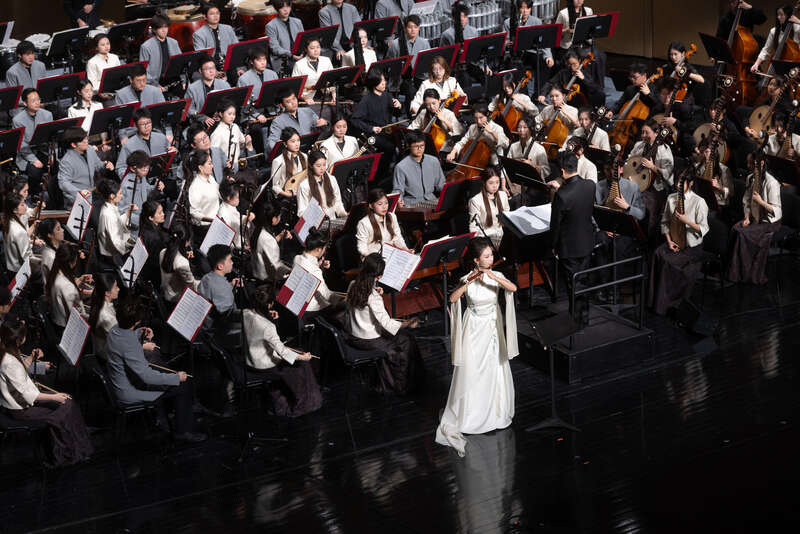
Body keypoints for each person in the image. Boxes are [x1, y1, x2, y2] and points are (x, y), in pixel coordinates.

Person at [435, 237, 518, 457]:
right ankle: (472, 414)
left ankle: (495, 413)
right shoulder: (467, 278)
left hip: (491, 327)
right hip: (473, 329)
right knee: (473, 369)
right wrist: (468, 282)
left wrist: (493, 276)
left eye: (491, 255)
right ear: (475, 260)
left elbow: (513, 288)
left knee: (493, 368)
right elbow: (453, 299)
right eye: (487, 256)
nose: (491, 259)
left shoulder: (496, 275)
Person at [106, 297, 206, 443]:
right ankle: (183, 431)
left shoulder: (114, 330)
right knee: (184, 385)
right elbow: (147, 377)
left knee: (166, 373)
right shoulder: (129, 346)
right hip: (130, 389)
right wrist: (176, 378)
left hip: (120, 379)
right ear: (135, 322)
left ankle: (169, 414)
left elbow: (126, 338)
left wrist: (139, 333)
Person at [0, 319, 94, 467]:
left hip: (20, 402)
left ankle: (76, 439)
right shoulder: (9, 362)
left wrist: (31, 358)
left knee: (68, 403)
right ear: (19, 340)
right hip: (21, 410)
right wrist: (55, 397)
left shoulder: (6, 351)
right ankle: (68, 454)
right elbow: (27, 394)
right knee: (66, 407)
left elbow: (18, 374)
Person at [345, 253, 422, 394]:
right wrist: (407, 323)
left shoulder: (353, 285)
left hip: (354, 335)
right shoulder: (373, 297)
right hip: (368, 340)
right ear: (379, 276)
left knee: (403, 338)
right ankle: (399, 386)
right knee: (405, 341)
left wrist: (374, 290)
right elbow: (385, 323)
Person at [243, 285, 322, 416]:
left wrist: (268, 316)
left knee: (297, 354)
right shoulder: (268, 327)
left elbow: (257, 329)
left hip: (251, 360)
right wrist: (303, 357)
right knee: (302, 364)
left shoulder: (245, 313)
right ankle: (305, 404)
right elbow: (282, 352)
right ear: (270, 304)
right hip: (265, 365)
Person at [648, 173, 709, 315]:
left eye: (682, 183)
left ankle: (667, 305)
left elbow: (704, 228)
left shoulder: (699, 202)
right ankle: (653, 301)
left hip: (691, 247)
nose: (678, 185)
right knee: (657, 253)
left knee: (669, 262)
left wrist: (687, 221)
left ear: (691, 183)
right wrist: (669, 241)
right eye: (677, 182)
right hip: (674, 240)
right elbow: (665, 222)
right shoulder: (671, 198)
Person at [550, 151, 596, 312]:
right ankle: (583, 315)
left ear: (562, 171)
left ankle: (576, 319)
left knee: (573, 285)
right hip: (587, 242)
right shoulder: (590, 185)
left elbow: (555, 225)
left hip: (569, 248)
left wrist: (552, 246)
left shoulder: (561, 195)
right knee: (583, 281)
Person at [727, 154, 782, 285]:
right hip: (754, 216)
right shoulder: (750, 178)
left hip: (770, 222)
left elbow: (776, 210)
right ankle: (733, 271)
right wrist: (746, 217)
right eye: (748, 163)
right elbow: (746, 201)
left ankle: (745, 274)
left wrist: (761, 202)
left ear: (761, 164)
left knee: (743, 234)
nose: (748, 166)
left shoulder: (772, 183)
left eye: (751, 163)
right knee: (735, 229)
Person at [350, 69, 402, 182]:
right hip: (372, 134)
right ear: (374, 83)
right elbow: (354, 120)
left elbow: (396, 114)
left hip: (386, 131)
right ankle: (380, 177)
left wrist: (398, 106)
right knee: (390, 147)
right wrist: (371, 128)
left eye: (384, 80)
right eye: (381, 81)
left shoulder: (387, 95)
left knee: (403, 141)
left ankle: (395, 173)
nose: (384, 83)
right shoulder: (366, 99)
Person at [57, 127, 113, 209]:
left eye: (86, 138)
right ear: (73, 145)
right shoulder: (67, 161)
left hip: (92, 194)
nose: (86, 141)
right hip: (76, 199)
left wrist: (105, 165)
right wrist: (79, 192)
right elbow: (63, 183)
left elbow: (97, 164)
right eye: (82, 141)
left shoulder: (90, 149)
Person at [293, 228, 344, 315]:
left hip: (297, 301)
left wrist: (318, 265)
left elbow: (308, 268)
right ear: (319, 249)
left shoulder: (297, 258)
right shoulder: (315, 270)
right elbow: (327, 295)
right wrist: (343, 299)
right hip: (311, 309)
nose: (324, 251)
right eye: (324, 248)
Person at [393, 130, 446, 207]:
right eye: (416, 146)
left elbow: (440, 184)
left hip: (431, 200)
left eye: (422, 146)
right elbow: (398, 190)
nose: (419, 149)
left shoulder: (433, 161)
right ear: (408, 146)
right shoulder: (401, 167)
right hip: (411, 203)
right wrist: (398, 200)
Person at [12, 88, 53, 187]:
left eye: (38, 99)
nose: (37, 103)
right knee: (35, 171)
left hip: (44, 151)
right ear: (25, 103)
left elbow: (52, 137)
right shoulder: (17, 120)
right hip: (26, 154)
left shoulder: (47, 115)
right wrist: (34, 160)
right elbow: (21, 145)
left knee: (58, 165)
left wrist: (52, 154)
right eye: (33, 101)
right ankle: (34, 193)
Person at [448, 102, 509, 167]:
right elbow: (462, 143)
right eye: (476, 118)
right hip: (475, 162)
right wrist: (452, 153)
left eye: (481, 117)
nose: (478, 121)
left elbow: (506, 144)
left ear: (487, 114)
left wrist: (492, 132)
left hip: (493, 164)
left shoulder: (497, 128)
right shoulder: (472, 127)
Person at [115, 107, 172, 177]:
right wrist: (134, 178)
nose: (146, 126)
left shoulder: (161, 137)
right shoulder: (128, 145)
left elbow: (170, 159)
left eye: (149, 122)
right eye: (142, 124)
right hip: (140, 180)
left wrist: (174, 153)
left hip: (162, 177)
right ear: (135, 125)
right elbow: (120, 168)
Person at [46, 244, 92, 328]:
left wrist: (80, 279)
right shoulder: (67, 286)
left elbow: (64, 288)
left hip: (56, 317)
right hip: (65, 326)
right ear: (71, 263)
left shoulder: (53, 272)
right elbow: (77, 315)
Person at [266, 89, 326, 153]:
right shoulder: (278, 122)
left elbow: (323, 129)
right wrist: (286, 151)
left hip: (311, 150)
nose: (293, 103)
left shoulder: (307, 111)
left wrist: (324, 124)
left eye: (294, 99)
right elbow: (271, 144)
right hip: (292, 153)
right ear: (282, 105)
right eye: (288, 101)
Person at [539, 48, 604, 107]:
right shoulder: (563, 72)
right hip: (565, 104)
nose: (572, 68)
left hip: (582, 106)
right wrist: (543, 94)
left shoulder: (586, 73)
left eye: (574, 64)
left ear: (579, 60)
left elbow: (596, 89)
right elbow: (550, 83)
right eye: (569, 64)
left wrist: (584, 79)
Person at [355, 189, 410, 257]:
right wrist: (374, 259)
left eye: (386, 203)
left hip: (390, 256)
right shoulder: (363, 223)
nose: (384, 207)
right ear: (371, 206)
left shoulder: (392, 216)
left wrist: (406, 250)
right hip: (373, 259)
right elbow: (362, 248)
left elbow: (397, 238)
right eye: (380, 204)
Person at [408, 88, 463, 153]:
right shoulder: (424, 112)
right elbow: (412, 127)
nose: (431, 107)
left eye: (434, 103)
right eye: (428, 104)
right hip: (425, 146)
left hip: (444, 148)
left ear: (439, 100)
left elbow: (459, 131)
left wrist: (444, 120)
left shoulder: (448, 114)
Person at [297, 150, 347, 220]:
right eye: (318, 166)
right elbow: (301, 212)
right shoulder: (304, 186)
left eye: (324, 165)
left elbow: (338, 203)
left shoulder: (332, 179)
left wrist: (345, 214)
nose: (322, 168)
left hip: (331, 220)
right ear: (311, 166)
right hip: (315, 224)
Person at [251, 200, 292, 283]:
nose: (280, 218)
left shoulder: (256, 228)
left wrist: (280, 236)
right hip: (265, 280)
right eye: (279, 216)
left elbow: (264, 248)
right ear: (273, 219)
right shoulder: (268, 240)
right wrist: (291, 271)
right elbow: (276, 267)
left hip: (256, 271)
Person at [121, 150, 164, 229]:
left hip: (144, 221)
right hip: (135, 226)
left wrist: (156, 187)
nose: (146, 170)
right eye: (143, 168)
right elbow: (123, 212)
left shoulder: (141, 177)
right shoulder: (126, 186)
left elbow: (147, 191)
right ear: (132, 169)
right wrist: (143, 221)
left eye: (147, 167)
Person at [186, 149, 221, 246]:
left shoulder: (211, 178)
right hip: (205, 229)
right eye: (209, 163)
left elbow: (219, 194)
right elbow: (194, 212)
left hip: (216, 223)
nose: (212, 166)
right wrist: (211, 220)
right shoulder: (195, 186)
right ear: (201, 168)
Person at [96, 178, 135, 264]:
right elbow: (116, 242)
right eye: (120, 193)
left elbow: (117, 223)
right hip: (110, 256)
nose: (122, 196)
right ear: (112, 196)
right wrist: (130, 246)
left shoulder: (108, 207)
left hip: (112, 250)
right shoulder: (108, 214)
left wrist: (128, 212)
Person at [186, 55, 232, 127]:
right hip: (201, 124)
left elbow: (230, 104)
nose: (211, 71)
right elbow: (189, 109)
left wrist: (222, 114)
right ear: (200, 71)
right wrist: (203, 118)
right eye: (207, 69)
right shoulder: (192, 88)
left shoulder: (224, 84)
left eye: (213, 68)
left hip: (222, 121)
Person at [209, 99, 253, 174]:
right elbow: (214, 155)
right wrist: (224, 163)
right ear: (221, 114)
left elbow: (241, 144)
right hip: (224, 169)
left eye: (234, 114)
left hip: (236, 163)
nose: (232, 117)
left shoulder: (235, 127)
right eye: (229, 114)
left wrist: (247, 141)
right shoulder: (217, 133)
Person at [159, 222, 199, 303]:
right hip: (175, 299)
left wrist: (184, 256)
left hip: (166, 291)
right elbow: (192, 287)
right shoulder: (182, 263)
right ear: (187, 242)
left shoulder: (163, 252)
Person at [139, 14, 182, 88]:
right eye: (160, 27)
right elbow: (143, 70)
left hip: (174, 79)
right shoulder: (146, 47)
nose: (164, 30)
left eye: (166, 27)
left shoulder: (174, 42)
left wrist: (184, 80)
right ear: (154, 30)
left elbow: (181, 64)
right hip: (156, 82)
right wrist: (155, 85)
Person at [468, 166, 509, 242]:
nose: (495, 186)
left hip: (502, 238)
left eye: (497, 182)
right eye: (491, 183)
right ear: (484, 183)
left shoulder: (503, 195)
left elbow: (507, 216)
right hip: (486, 239)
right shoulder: (475, 201)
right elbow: (473, 227)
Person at [192, 4, 238, 71]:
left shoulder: (228, 28)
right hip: (211, 67)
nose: (216, 16)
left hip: (229, 64)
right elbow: (201, 57)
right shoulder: (198, 34)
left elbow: (236, 49)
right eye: (212, 14)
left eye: (217, 13)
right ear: (205, 16)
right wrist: (214, 71)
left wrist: (238, 68)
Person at [198, 244, 240, 319]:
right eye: (230, 260)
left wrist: (231, 285)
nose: (232, 262)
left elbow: (215, 289)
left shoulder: (206, 277)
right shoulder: (223, 289)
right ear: (220, 266)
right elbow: (228, 314)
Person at [3, 193, 41, 273]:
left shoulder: (8, 221)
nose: (26, 206)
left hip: (10, 267)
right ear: (15, 210)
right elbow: (27, 257)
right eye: (22, 205)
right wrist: (41, 261)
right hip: (18, 270)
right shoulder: (19, 231)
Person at [506, 114, 551, 180]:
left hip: (533, 182)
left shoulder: (539, 149)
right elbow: (507, 165)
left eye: (525, 127)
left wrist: (533, 165)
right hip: (516, 180)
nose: (521, 130)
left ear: (531, 129)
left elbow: (547, 171)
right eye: (519, 127)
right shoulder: (513, 146)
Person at [266, 0, 305, 74]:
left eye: (288, 6)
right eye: (282, 7)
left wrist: (303, 53)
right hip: (284, 60)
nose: (286, 10)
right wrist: (291, 55)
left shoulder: (297, 22)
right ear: (277, 9)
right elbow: (275, 48)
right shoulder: (270, 26)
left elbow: (303, 40)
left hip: (300, 55)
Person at [270, 127, 308, 197]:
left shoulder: (304, 156)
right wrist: (288, 195)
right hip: (288, 195)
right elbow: (275, 186)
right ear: (285, 144)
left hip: (303, 192)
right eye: (293, 141)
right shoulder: (278, 161)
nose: (297, 144)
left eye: (298, 140)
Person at [138, 200, 167, 285]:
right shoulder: (154, 238)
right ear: (151, 217)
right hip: (153, 275)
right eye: (159, 213)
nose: (163, 214)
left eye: (162, 211)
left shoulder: (145, 227)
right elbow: (158, 262)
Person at [218, 181, 251, 250]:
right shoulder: (223, 214)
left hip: (240, 241)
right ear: (228, 198)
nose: (239, 200)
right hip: (235, 248)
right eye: (237, 197)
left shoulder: (231, 205)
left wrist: (247, 218)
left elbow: (238, 218)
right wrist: (243, 249)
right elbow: (225, 242)